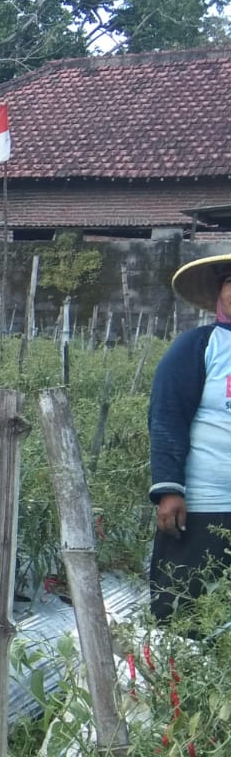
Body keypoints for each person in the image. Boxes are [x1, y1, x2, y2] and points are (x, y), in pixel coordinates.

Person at [147, 251, 231, 632]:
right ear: (220, 291)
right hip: (206, 504)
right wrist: (169, 490)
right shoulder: (199, 346)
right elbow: (167, 418)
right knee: (187, 616)